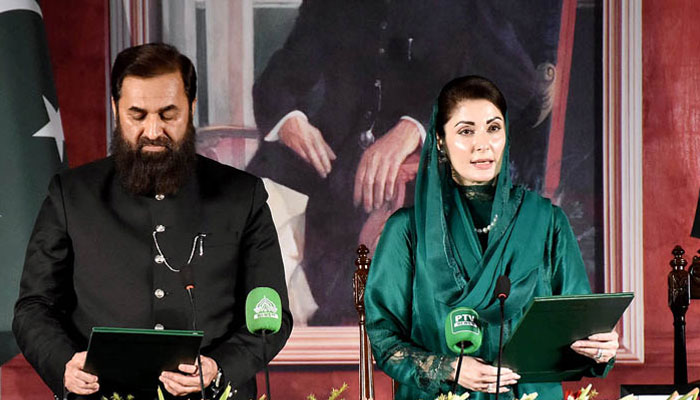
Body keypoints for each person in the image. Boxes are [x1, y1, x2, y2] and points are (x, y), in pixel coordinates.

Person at [12, 43, 292, 400]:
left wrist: (220, 367)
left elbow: (272, 316)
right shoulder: (71, 194)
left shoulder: (243, 195)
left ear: (191, 108)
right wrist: (64, 362)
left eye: (168, 114)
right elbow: (33, 307)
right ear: (116, 110)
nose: (153, 130)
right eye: (138, 115)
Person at [249, 0, 553, 324]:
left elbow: (514, 82)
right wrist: (290, 118)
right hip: (329, 163)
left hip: (415, 173)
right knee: (254, 221)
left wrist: (417, 126)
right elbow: (278, 77)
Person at [364, 76, 618, 400]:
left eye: (493, 128)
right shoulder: (407, 231)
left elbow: (576, 329)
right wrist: (450, 369)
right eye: (466, 131)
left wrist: (600, 347)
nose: (482, 144)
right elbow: (385, 341)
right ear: (440, 140)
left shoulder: (546, 223)